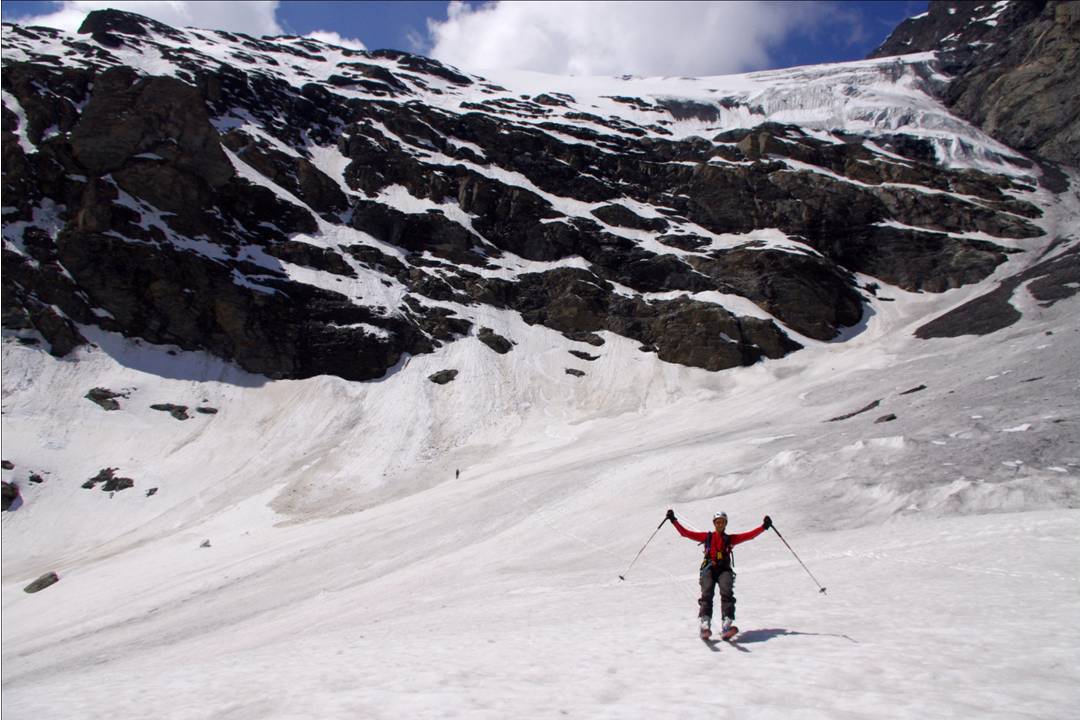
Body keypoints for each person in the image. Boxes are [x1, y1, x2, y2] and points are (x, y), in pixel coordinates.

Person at [666, 509, 771, 638]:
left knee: (727, 592)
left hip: (724, 570)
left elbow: (749, 535)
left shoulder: (730, 539)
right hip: (709, 568)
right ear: (714, 523)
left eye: (722, 522)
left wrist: (763, 527)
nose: (720, 524)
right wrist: (673, 520)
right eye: (717, 522)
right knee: (707, 593)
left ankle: (726, 623)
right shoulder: (707, 537)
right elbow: (685, 533)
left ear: (725, 524)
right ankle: (705, 623)